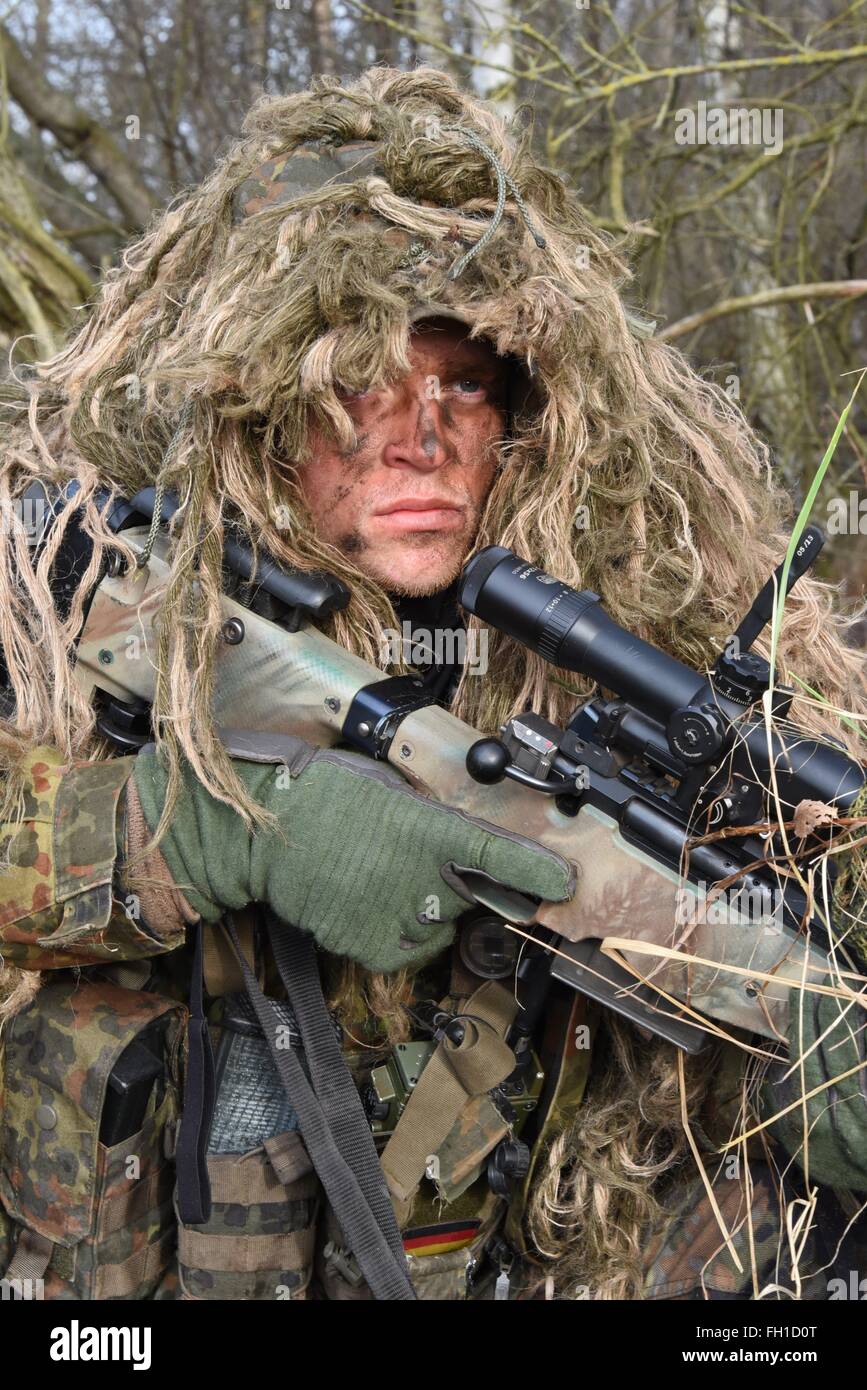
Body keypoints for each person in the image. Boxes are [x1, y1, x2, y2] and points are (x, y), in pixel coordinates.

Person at [0, 65, 864, 1302]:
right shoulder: (59, 582)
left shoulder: (647, 609)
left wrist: (804, 1064)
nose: (424, 434)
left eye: (467, 381)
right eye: (365, 377)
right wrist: (191, 831)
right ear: (255, 400)